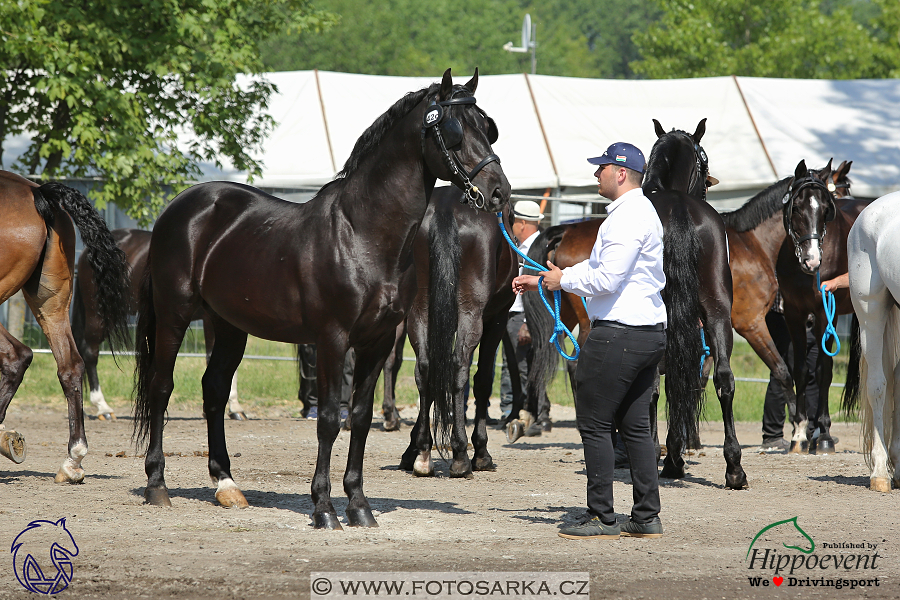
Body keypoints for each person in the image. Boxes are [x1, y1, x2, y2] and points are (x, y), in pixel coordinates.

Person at [513, 142, 666, 540]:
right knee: (635, 427)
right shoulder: (638, 212)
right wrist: (544, 279)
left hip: (619, 333)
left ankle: (601, 515)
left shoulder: (628, 216)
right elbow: (602, 269)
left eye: (601, 168)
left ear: (620, 173)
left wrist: (562, 279)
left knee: (595, 424)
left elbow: (607, 279)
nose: (595, 174)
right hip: (644, 332)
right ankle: (647, 516)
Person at [761, 274, 848, 450]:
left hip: (812, 316)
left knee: (814, 369)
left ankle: (813, 428)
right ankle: (772, 434)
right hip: (785, 314)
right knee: (783, 370)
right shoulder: (788, 249)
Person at [499, 200, 545, 431]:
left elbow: (540, 289)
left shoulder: (536, 249)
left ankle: (526, 414)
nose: (512, 226)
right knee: (517, 365)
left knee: (521, 366)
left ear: (523, 223)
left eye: (513, 222)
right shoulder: (525, 246)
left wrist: (528, 321)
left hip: (523, 314)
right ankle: (521, 412)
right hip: (517, 313)